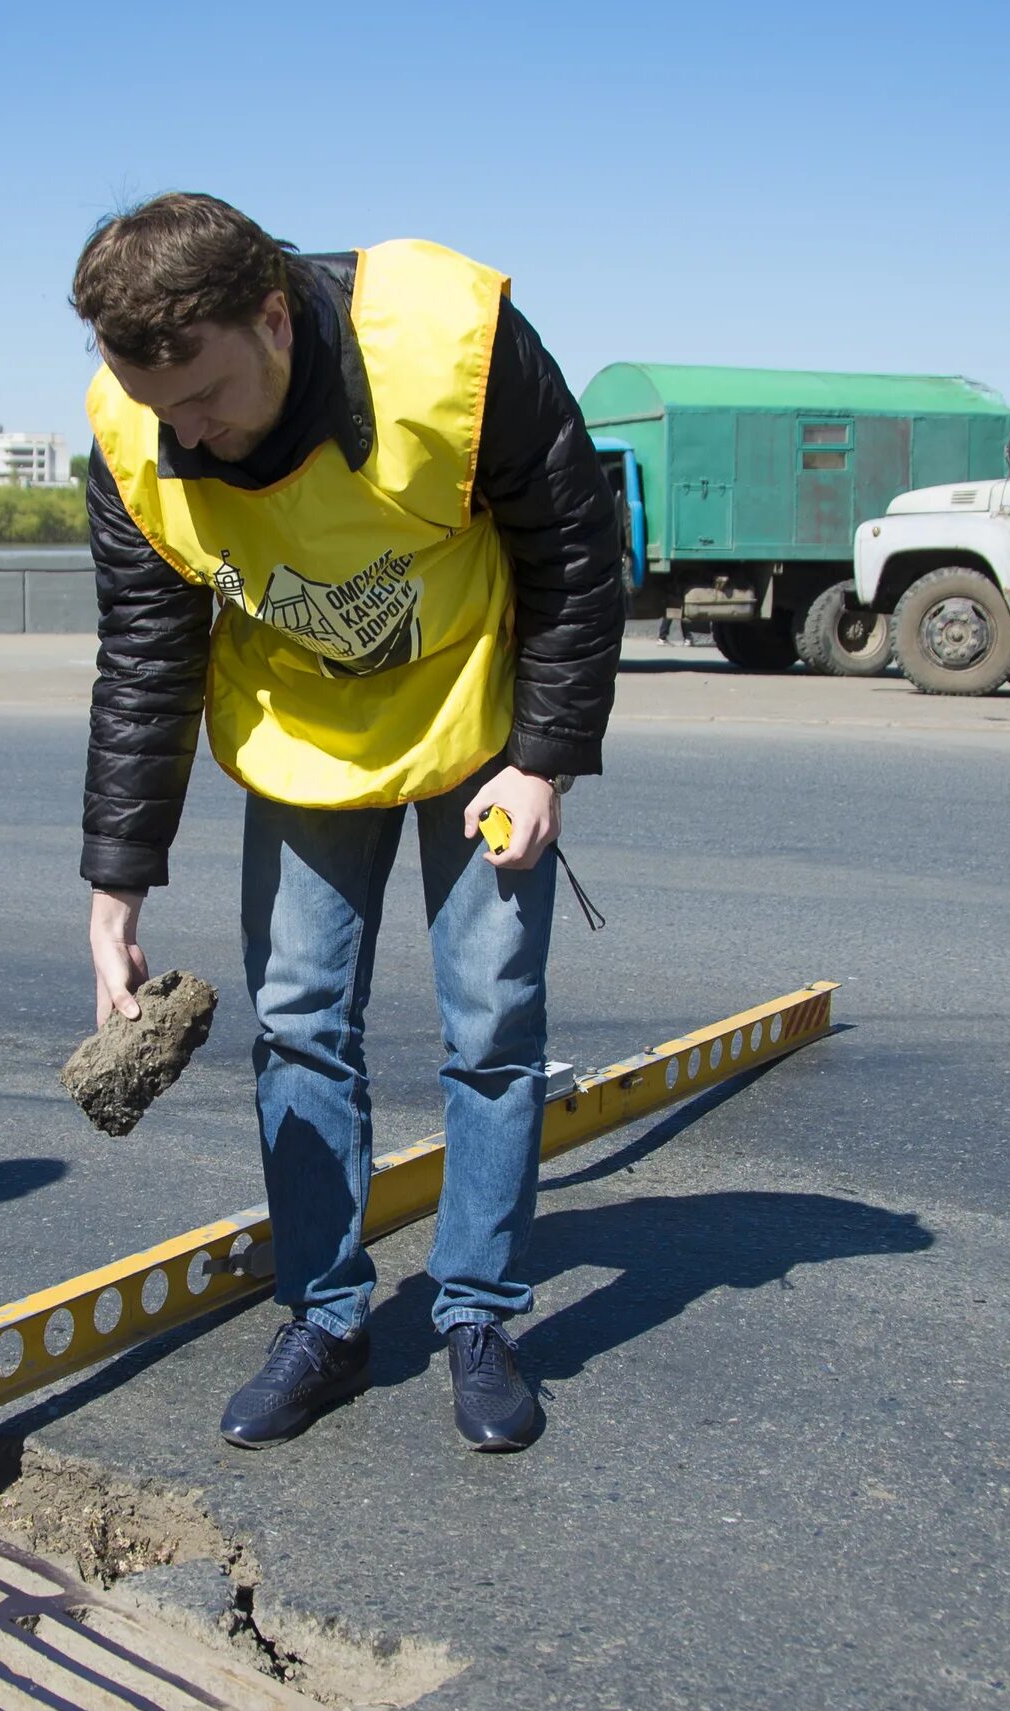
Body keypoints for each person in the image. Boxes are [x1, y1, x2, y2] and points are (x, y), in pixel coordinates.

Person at [70, 193, 621, 1453]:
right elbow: (146, 658)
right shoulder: (134, 433)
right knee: (300, 1023)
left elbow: (578, 546)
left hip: (476, 722)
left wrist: (543, 761)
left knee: (491, 1022)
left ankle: (478, 1313)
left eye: (203, 396)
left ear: (273, 317)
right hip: (304, 739)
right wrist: (118, 884)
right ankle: (323, 1316)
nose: (186, 435)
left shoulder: (448, 354)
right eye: (160, 410)